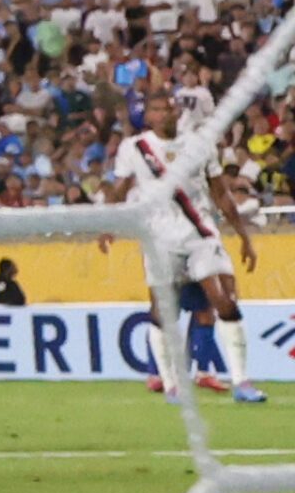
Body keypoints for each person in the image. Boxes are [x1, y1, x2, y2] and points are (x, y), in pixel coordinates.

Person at [98, 92, 267, 404]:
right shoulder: (135, 148)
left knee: (224, 299)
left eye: (168, 108)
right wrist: (107, 225)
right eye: (157, 109)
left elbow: (221, 193)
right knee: (163, 312)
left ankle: (242, 382)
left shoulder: (199, 144)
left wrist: (244, 237)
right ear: (148, 117)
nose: (165, 114)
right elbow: (119, 190)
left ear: (177, 111)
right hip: (160, 238)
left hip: (201, 233)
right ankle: (171, 383)